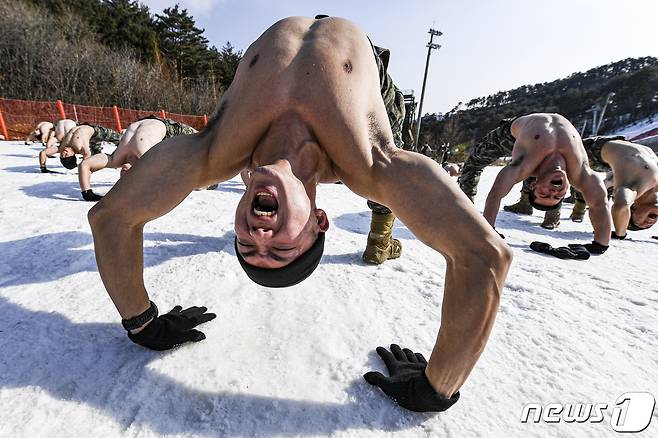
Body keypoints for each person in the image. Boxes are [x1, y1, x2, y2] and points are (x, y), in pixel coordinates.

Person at [88, 16, 512, 413]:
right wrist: (435, 388)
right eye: (281, 246)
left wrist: (143, 323)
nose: (261, 234)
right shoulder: (372, 165)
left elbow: (111, 218)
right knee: (392, 162)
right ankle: (383, 238)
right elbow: (485, 257)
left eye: (246, 243)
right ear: (319, 220)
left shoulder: (209, 156)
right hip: (364, 61)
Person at [462, 113, 611, 252]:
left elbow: (496, 194)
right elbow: (599, 204)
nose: (553, 192)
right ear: (566, 191)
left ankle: (462, 212)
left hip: (511, 133)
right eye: (557, 197)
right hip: (537, 129)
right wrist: (600, 244)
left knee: (473, 164)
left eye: (544, 195)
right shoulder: (580, 172)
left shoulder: (522, 165)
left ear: (533, 184)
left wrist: (488, 231)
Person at [77, 116, 197, 201]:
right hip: (166, 128)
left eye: (122, 175)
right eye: (129, 176)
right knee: (201, 139)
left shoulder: (115, 159)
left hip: (142, 121)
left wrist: (87, 193)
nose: (124, 171)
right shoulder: (149, 160)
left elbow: (85, 165)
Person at [581, 137, 657, 237]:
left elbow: (622, 205)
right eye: (649, 224)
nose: (649, 224)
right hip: (621, 148)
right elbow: (623, 205)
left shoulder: (633, 187)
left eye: (640, 224)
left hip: (596, 151)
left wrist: (620, 233)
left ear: (632, 209)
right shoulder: (640, 185)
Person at [38, 123, 121, 173]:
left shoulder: (61, 147)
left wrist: (43, 167)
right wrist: (84, 171)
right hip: (96, 132)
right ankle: (118, 160)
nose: (63, 152)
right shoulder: (81, 148)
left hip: (87, 129)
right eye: (66, 155)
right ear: (73, 155)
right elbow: (86, 161)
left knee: (120, 140)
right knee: (121, 140)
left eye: (62, 155)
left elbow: (43, 153)